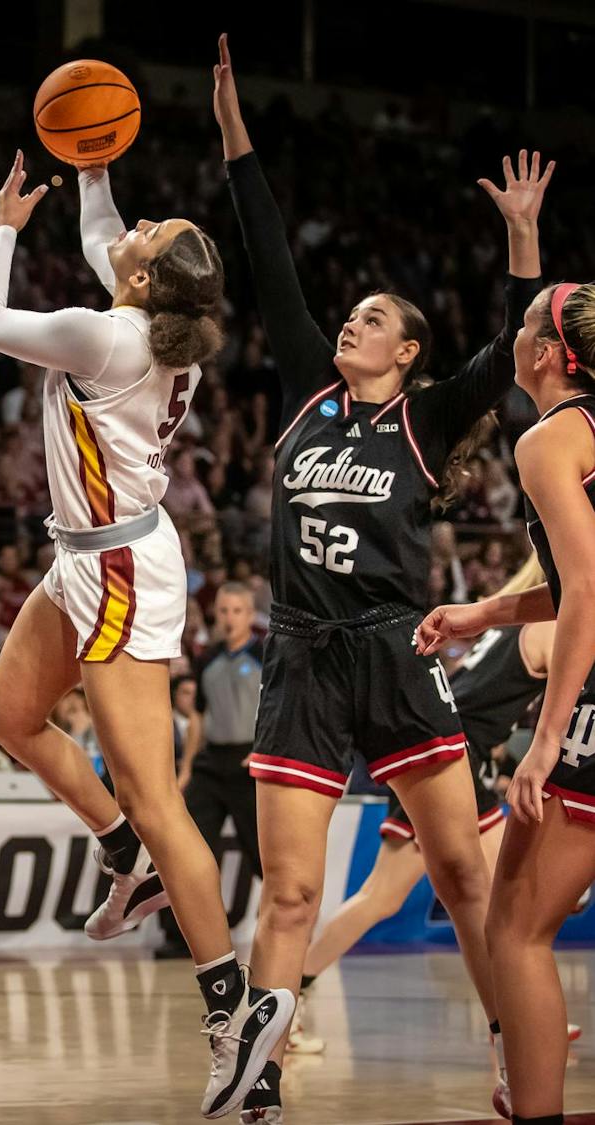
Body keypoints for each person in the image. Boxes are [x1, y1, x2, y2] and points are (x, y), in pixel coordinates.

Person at [213, 34, 550, 1122]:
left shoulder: (428, 416)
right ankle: (257, 1077)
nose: (350, 321)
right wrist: (233, 131)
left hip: (401, 656)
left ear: (406, 352)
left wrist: (522, 237)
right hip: (305, 659)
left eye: (372, 318)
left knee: (463, 877)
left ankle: (513, 1050)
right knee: (291, 891)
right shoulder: (307, 396)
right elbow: (268, 252)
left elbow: (513, 349)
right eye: (349, 314)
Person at [0, 145, 287, 1117]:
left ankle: (235, 1020)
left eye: (151, 234)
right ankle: (122, 857)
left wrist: (6, 229)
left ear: (144, 281)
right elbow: (106, 235)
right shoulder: (149, 323)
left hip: (116, 569)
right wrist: (92, 167)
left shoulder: (104, 338)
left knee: (157, 798)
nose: (136, 226)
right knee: (9, 716)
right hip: (90, 552)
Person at [417, 280, 595, 1122]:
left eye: (522, 325)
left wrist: (546, 737)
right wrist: (484, 612)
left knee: (516, 927)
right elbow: (574, 582)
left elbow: (589, 589)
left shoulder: (549, 438)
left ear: (549, 354)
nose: (510, 336)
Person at [299, 561, 561, 1056]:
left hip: (449, 746)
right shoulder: (547, 627)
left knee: (488, 901)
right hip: (455, 757)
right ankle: (291, 991)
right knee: (404, 897)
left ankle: (521, 1014)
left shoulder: (506, 622)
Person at [157, 583, 264, 961]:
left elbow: (277, 707)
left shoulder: (265, 654)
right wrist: (186, 768)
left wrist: (264, 748)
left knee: (264, 854)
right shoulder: (208, 659)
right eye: (223, 611)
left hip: (250, 764)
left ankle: (284, 932)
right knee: (188, 850)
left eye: (237, 611)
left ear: (249, 615)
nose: (229, 618)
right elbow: (198, 717)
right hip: (210, 763)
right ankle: (179, 937)